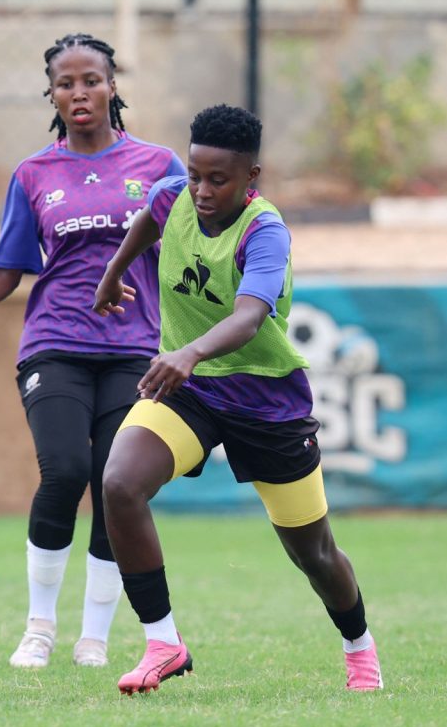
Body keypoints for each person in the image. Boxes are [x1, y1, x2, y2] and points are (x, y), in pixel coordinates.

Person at [0, 33, 186, 670]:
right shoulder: (34, 174)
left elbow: (192, 246)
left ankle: (94, 635)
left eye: (92, 80)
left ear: (113, 86)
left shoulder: (160, 165)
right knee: (64, 470)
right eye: (66, 83)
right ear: (52, 95)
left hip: (135, 351)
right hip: (54, 344)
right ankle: (39, 627)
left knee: (118, 485)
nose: (79, 93)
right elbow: (7, 271)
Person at [93, 104, 383, 694]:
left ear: (252, 176)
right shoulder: (173, 195)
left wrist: (190, 352)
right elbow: (149, 218)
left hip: (265, 400)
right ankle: (163, 643)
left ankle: (360, 649)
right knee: (120, 484)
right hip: (190, 391)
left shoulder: (265, 231)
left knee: (315, 554)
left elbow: (250, 318)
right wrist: (116, 269)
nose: (200, 190)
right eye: (196, 174)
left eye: (217, 179)